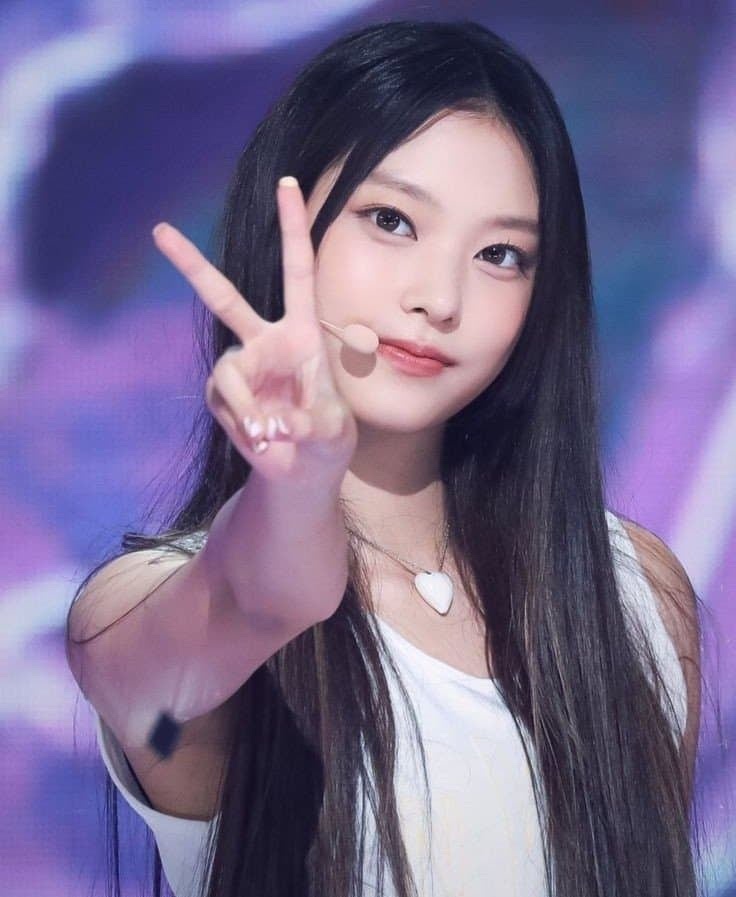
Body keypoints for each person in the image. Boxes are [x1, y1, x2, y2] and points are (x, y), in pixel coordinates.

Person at [65, 17, 704, 897]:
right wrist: (300, 485)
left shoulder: (635, 592)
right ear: (287, 226)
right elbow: (259, 601)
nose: (439, 297)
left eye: (500, 254)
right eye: (392, 220)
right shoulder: (138, 606)